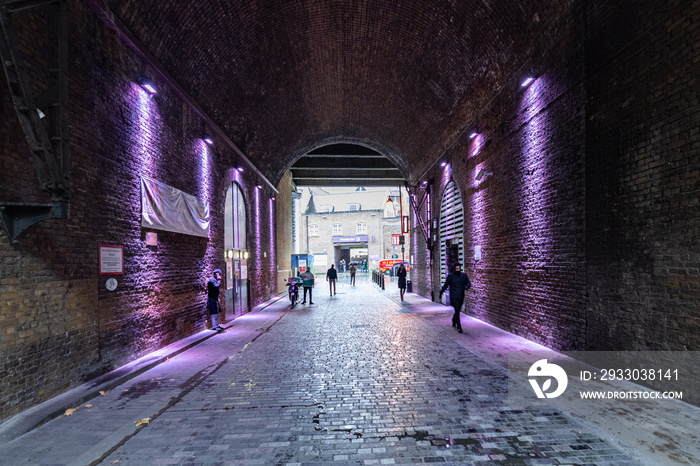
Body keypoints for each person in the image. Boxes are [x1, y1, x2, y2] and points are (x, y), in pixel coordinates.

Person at [439, 262, 471, 333]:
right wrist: (441, 292)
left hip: (461, 295)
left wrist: (467, 287)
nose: (457, 270)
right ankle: (459, 326)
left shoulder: (463, 275)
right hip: (454, 296)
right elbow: (446, 285)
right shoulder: (451, 276)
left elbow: (468, 283)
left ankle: (454, 320)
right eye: (456, 268)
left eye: (459, 268)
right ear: (454, 269)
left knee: (458, 310)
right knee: (457, 310)